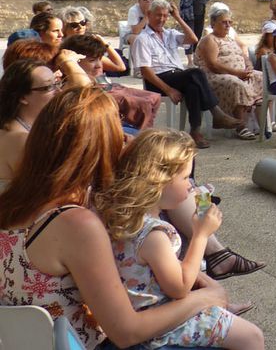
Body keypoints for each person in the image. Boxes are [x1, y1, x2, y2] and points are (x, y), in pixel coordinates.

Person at [0, 85, 228, 349]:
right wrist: (209, 297)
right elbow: (127, 332)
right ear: (101, 148)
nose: (125, 141)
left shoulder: (12, 203)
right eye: (117, 135)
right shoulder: (76, 225)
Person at [93, 129, 264, 349]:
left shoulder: (125, 219)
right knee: (252, 336)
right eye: (185, 178)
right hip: (161, 328)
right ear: (158, 182)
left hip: (141, 314)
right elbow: (179, 287)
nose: (190, 186)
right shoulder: (154, 234)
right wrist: (201, 234)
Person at [131, 0, 241, 149]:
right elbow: (145, 71)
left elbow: (193, 39)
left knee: (193, 87)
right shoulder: (142, 39)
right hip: (158, 80)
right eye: (158, 15)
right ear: (149, 14)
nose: (161, 19)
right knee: (195, 72)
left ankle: (195, 132)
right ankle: (216, 113)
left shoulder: (170, 34)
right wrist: (168, 90)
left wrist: (177, 17)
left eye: (164, 16)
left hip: (178, 76)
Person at [61, 33, 163, 131]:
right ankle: (141, 138)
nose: (99, 65)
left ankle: (143, 133)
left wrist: (106, 45)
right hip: (99, 101)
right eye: (92, 61)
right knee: (143, 105)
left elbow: (121, 66)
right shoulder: (73, 81)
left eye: (100, 59)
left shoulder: (91, 55)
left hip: (106, 87)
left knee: (154, 97)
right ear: (75, 61)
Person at [195, 6, 262, 139]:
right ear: (213, 24)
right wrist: (237, 73)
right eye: (224, 22)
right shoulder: (210, 40)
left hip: (238, 73)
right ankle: (240, 126)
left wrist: (248, 66)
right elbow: (213, 65)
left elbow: (243, 56)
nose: (228, 25)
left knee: (261, 77)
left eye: (229, 22)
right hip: (215, 77)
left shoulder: (230, 39)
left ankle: (263, 123)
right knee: (236, 84)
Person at [0, 60, 59, 189]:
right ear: (22, 97)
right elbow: (47, 191)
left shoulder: (26, 127)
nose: (58, 91)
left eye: (57, 83)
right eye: (48, 87)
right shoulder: (20, 139)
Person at [61, 6, 128, 75]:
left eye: (83, 23)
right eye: (74, 25)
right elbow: (120, 67)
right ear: (64, 28)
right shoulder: (62, 48)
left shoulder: (85, 45)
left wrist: (106, 44)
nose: (80, 27)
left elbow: (120, 67)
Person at [180, 0, 211, 64]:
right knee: (189, 36)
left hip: (200, 13)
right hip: (188, 14)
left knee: (197, 36)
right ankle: (189, 60)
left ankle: (195, 58)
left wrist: (203, 0)